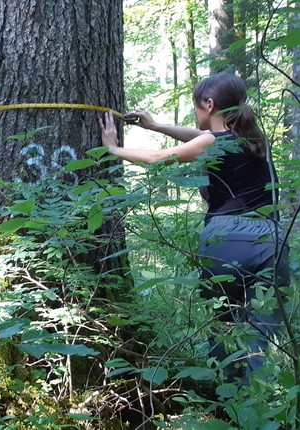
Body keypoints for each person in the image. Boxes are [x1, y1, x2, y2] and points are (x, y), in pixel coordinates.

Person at [98, 73, 289, 384]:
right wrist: (157, 126)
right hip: (272, 238)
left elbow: (158, 158)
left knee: (223, 324)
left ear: (209, 104)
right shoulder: (254, 139)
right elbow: (199, 138)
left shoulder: (216, 141)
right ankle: (256, 400)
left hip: (228, 239)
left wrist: (114, 150)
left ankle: (228, 400)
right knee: (259, 333)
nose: (195, 114)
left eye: (196, 107)